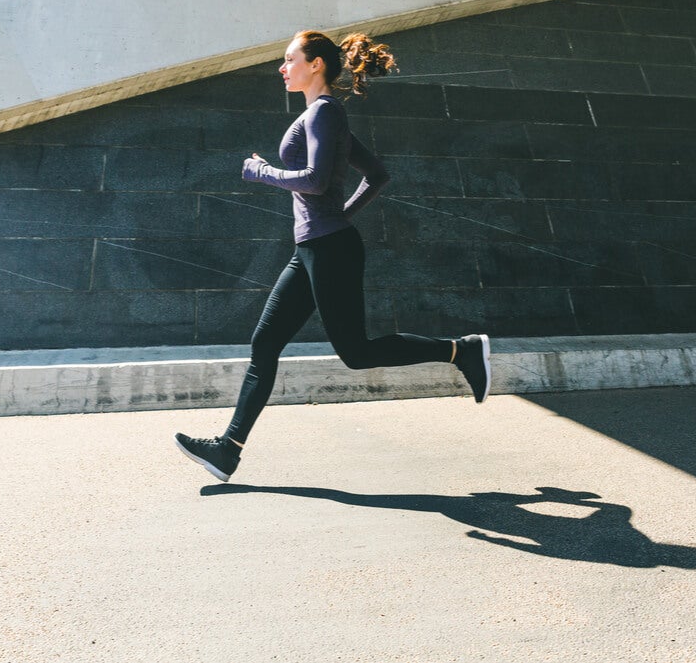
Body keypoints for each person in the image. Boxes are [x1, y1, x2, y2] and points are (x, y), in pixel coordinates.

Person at [175, 30, 491, 482]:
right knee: (265, 343)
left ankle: (462, 351)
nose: (282, 69)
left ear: (316, 64)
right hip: (313, 246)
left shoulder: (323, 113)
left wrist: (262, 171)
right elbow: (377, 174)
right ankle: (228, 449)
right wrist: (338, 215)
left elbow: (316, 180)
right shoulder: (326, 116)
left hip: (329, 249)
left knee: (356, 353)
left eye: (289, 59)